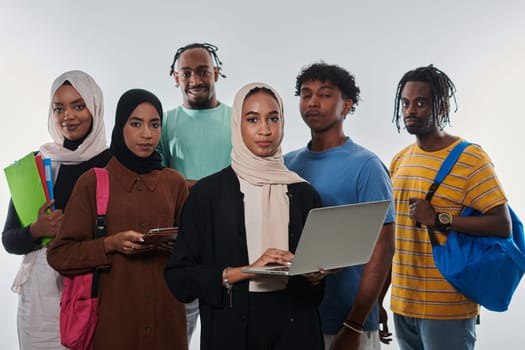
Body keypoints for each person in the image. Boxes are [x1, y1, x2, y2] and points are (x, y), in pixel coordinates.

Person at [164, 82, 325, 350]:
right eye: (253, 119)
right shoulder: (207, 195)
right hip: (232, 333)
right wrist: (245, 272)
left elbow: (315, 295)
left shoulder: (304, 193)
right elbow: (180, 278)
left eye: (273, 118)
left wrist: (315, 277)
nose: (265, 130)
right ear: (237, 124)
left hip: (297, 332)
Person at [47, 89, 189, 349]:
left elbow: (194, 253)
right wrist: (109, 245)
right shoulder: (93, 181)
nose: (147, 134)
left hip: (167, 328)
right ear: (120, 125)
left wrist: (176, 246)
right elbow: (59, 255)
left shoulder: (174, 183)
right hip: (113, 329)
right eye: (136, 123)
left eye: (154, 124)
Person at [389, 64, 511, 350]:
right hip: (403, 302)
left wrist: (439, 218)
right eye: (405, 103)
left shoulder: (470, 159)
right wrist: (380, 299)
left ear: (441, 106)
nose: (410, 110)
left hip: (446, 305)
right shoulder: (399, 161)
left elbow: (501, 225)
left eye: (420, 102)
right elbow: (391, 235)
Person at [284, 62, 395, 350]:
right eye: (305, 94)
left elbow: (383, 246)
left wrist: (354, 325)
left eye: (324, 94)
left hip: (347, 322)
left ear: (346, 106)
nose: (312, 102)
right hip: (296, 319)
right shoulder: (286, 165)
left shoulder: (366, 166)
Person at [2, 70, 111, 350]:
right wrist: (37, 230)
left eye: (78, 105)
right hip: (41, 297)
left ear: (95, 106)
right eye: (58, 108)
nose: (68, 116)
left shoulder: (114, 164)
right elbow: (9, 238)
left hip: (95, 288)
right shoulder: (38, 164)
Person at [159, 42, 232, 341]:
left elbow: (240, 179)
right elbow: (160, 182)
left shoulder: (237, 119)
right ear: (175, 77)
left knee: (226, 335)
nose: (195, 80)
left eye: (203, 71)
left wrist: (186, 184)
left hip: (228, 241)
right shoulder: (164, 123)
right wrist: (209, 185)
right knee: (175, 336)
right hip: (182, 245)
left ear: (216, 73)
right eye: (186, 73)